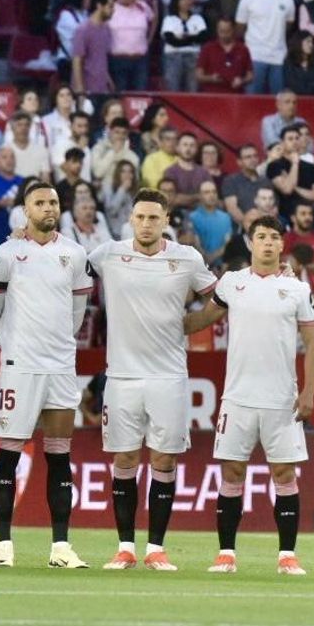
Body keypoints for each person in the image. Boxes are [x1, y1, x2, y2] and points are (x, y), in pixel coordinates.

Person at [184, 215, 314, 575]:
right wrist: (164, 322)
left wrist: (308, 391)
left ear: (282, 244)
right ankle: (226, 554)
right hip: (238, 397)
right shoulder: (232, 282)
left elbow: (312, 343)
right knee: (231, 472)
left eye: (274, 237)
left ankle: (287, 556)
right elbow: (204, 319)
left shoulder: (297, 289)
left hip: (282, 399)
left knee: (284, 474)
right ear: (250, 242)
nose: (268, 243)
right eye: (261, 236)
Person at [88, 190, 217, 571]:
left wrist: (192, 323)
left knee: (164, 458)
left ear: (166, 221)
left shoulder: (186, 257)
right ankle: (125, 547)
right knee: (125, 457)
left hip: (168, 375)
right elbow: (63, 264)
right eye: (140, 217)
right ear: (131, 219)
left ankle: (156, 549)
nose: (146, 224)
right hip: (122, 375)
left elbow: (221, 296)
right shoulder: (107, 254)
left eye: (153, 218)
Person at [0, 180, 93, 569]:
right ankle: (3, 546)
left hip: (60, 366)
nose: (49, 208)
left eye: (54, 202)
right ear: (26, 210)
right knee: (9, 453)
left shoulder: (74, 253)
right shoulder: (7, 253)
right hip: (21, 367)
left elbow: (77, 313)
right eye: (40, 203)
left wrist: (60, 344)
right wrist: (12, 347)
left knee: (60, 455)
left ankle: (60, 547)